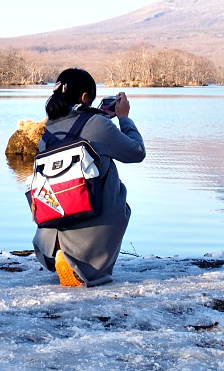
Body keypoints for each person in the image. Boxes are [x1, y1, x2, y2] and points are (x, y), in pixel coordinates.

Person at [32, 67, 146, 287]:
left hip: (48, 233)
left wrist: (100, 116)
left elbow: (81, 127)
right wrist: (124, 119)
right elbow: (136, 152)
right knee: (111, 181)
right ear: (85, 98)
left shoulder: (47, 132)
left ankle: (58, 251)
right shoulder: (97, 124)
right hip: (90, 225)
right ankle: (84, 263)